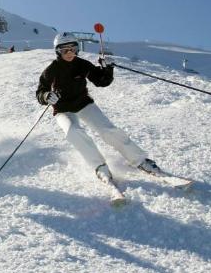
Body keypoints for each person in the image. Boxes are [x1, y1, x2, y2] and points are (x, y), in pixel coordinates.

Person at [36, 34, 164, 185]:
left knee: (107, 129)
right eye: (65, 50)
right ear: (58, 52)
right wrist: (46, 96)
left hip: (84, 104)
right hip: (63, 109)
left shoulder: (82, 64)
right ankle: (100, 167)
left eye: (73, 49)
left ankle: (140, 161)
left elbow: (101, 81)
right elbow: (40, 92)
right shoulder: (51, 70)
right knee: (73, 131)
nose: (70, 53)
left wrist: (107, 68)